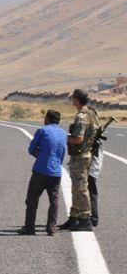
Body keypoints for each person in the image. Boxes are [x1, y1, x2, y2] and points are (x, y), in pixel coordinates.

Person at [18, 110, 66, 236]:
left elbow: (31, 149)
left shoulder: (42, 131)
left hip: (41, 170)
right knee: (54, 200)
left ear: (47, 119)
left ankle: (29, 228)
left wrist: (39, 154)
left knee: (32, 199)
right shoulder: (63, 133)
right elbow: (62, 153)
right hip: (56, 172)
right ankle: (51, 228)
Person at [59, 88, 99, 232]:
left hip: (80, 156)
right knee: (76, 187)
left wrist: (62, 136)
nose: (72, 100)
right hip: (85, 155)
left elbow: (78, 139)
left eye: (73, 98)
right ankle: (74, 217)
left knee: (81, 188)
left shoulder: (81, 116)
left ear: (76, 99)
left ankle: (85, 220)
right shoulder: (92, 113)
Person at [88, 146, 103, 227]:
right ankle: (92, 217)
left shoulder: (94, 141)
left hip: (91, 168)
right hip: (93, 168)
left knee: (91, 192)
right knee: (91, 192)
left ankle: (94, 218)